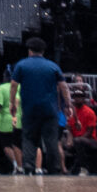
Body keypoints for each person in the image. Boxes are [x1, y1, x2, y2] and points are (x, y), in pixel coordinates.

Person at [9, 38, 67, 175]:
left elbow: (13, 85)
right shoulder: (52, 66)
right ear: (43, 51)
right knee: (51, 140)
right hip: (50, 110)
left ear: (29, 50)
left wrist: (12, 103)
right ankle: (55, 168)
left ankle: (28, 166)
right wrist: (68, 103)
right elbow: (63, 85)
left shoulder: (22, 65)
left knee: (29, 138)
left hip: (30, 109)